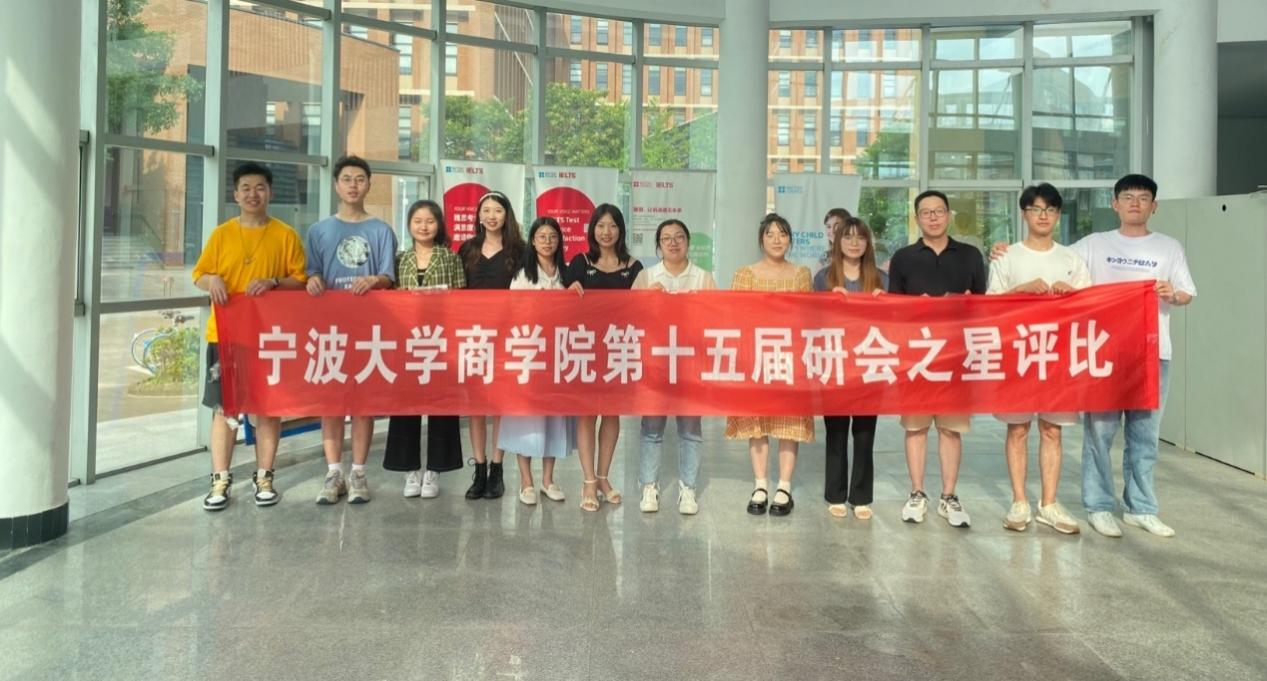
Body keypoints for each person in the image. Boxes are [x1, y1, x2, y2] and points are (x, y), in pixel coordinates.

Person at [995, 174, 1197, 538]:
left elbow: (1186, 293)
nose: (1135, 203)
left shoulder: (1168, 247)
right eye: (1127, 197)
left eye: (1143, 198)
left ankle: (1141, 508)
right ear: (1114, 204)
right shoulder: (1091, 245)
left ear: (1154, 206)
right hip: (1096, 352)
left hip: (1149, 352)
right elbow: (1040, 260)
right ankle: (1097, 505)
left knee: (1145, 435)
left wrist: (1173, 294)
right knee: (1098, 434)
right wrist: (999, 251)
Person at [193, 162, 307, 511]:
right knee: (224, 409)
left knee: (268, 408)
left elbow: (300, 280)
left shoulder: (285, 235)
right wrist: (212, 280)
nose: (253, 194)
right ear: (235, 194)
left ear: (270, 192)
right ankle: (220, 480)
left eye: (260, 187)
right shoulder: (221, 235)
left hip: (270, 338)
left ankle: (264, 476)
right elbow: (199, 274)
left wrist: (274, 282)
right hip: (226, 337)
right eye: (246, 187)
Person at [986, 183, 1091, 535]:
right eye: (1036, 209)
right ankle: (1019, 501)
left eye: (1050, 209)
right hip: (1017, 354)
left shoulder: (1072, 259)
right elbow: (990, 305)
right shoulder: (1007, 257)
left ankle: (1049, 503)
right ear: (1024, 214)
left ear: (1058, 215)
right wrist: (1020, 290)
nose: (1043, 215)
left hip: (1058, 356)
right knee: (1017, 429)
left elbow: (1091, 306)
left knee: (1052, 430)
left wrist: (1072, 294)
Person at [888, 190, 986, 528]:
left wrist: (963, 303)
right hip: (916, 355)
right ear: (916, 218)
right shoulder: (903, 258)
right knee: (915, 427)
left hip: (955, 355)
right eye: (926, 212)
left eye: (939, 211)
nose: (933, 217)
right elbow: (893, 309)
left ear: (948, 215)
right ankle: (917, 493)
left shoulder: (970, 255)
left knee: (950, 428)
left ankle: (949, 496)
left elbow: (983, 305)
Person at [304, 155, 398, 505]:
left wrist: (375, 280)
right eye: (347, 179)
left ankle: (358, 472)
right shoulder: (318, 231)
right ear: (336, 185)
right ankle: (334, 473)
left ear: (369, 185)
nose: (353, 185)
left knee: (362, 402)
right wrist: (313, 280)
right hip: (329, 329)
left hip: (368, 328)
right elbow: (310, 272)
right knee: (331, 402)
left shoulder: (381, 230)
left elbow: (389, 277)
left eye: (360, 179)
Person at [727, 213, 814, 517]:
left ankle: (784, 486)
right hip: (755, 356)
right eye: (770, 234)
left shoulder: (801, 274)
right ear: (761, 239)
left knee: (789, 423)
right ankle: (761, 483)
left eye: (782, 234)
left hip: (790, 357)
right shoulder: (745, 274)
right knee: (757, 422)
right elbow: (736, 316)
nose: (777, 240)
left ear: (790, 239)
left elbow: (807, 317)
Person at [382, 200, 466, 499]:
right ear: (409, 225)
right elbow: (388, 298)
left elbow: (462, 297)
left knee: (441, 405)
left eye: (430, 221)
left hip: (441, 340)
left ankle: (435, 470)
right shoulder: (399, 259)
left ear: (439, 224)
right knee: (407, 406)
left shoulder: (450, 257)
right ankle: (410, 470)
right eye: (418, 221)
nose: (424, 226)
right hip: (408, 341)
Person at [632, 219, 716, 515]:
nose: (673, 242)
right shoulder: (646, 276)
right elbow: (631, 317)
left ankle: (688, 488)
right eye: (666, 238)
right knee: (651, 428)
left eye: (679, 237)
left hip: (690, 364)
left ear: (688, 242)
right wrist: (648, 299)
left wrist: (700, 306)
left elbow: (716, 320)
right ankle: (649, 486)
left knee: (690, 428)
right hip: (655, 364)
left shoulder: (703, 277)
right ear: (658, 245)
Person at [564, 204, 644, 512]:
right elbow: (562, 302)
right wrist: (569, 289)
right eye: (600, 226)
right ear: (592, 230)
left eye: (612, 226)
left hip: (619, 348)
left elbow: (644, 307)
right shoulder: (579, 262)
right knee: (587, 413)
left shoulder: (634, 267)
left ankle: (603, 477)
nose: (606, 232)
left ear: (620, 230)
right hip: (585, 347)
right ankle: (587, 481)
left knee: (612, 413)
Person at [812, 216, 887, 521]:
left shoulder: (881, 278)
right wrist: (830, 303)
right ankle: (835, 493)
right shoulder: (823, 278)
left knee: (865, 433)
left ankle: (861, 496)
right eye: (848, 237)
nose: (854, 243)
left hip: (869, 364)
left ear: (868, 243)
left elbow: (895, 323)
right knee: (837, 432)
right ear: (837, 241)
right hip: (836, 364)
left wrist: (885, 304)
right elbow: (813, 321)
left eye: (860, 237)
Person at [498, 217, 575, 506]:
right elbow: (512, 312)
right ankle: (526, 481)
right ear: (532, 240)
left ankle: (548, 480)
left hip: (557, 355)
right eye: (541, 236)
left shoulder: (567, 273)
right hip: (529, 354)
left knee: (553, 417)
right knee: (526, 418)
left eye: (552, 236)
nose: (547, 242)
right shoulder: (523, 275)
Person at [457, 190, 527, 500]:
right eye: (485, 210)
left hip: (507, 338)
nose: (491, 216)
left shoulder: (520, 250)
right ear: (478, 215)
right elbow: (457, 292)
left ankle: (497, 469)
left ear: (506, 214)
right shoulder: (468, 249)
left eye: (497, 210)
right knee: (476, 405)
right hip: (473, 337)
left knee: (499, 404)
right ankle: (480, 468)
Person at [815, 207, 852, 274]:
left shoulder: (858, 254)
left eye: (837, 225)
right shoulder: (825, 257)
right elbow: (816, 279)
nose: (832, 231)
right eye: (828, 226)